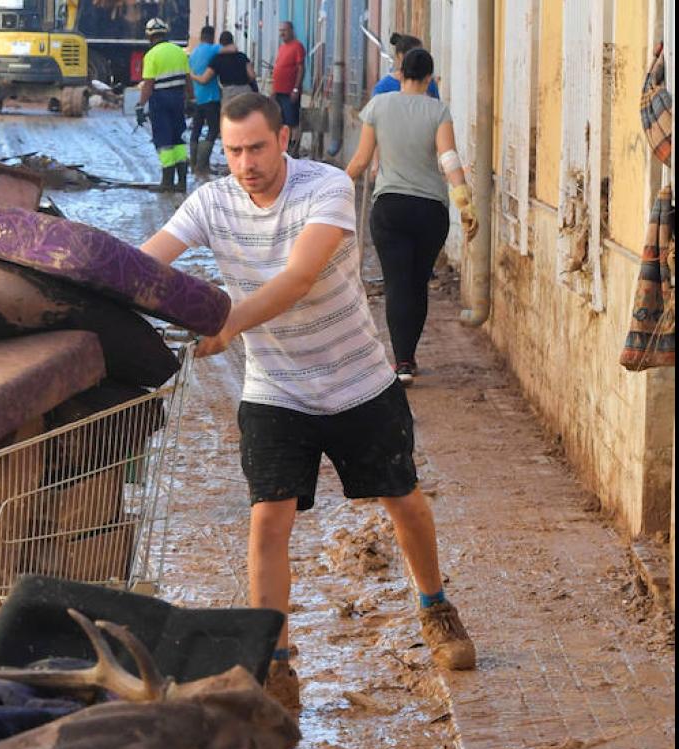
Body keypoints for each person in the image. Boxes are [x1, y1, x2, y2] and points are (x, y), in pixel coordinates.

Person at [139, 92, 477, 714]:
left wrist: (228, 324)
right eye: (234, 150)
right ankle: (275, 660)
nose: (245, 163)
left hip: (357, 380)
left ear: (284, 137)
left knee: (402, 498)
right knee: (268, 519)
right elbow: (149, 262)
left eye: (257, 148)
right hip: (274, 389)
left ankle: (435, 607)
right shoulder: (212, 201)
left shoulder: (325, 190)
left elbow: (297, 279)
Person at [345, 48, 478, 385]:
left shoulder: (378, 106)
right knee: (417, 284)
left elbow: (361, 161)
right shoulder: (438, 110)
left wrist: (332, 189)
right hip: (430, 210)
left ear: (400, 74)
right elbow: (448, 158)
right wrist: (464, 202)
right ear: (430, 78)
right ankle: (409, 358)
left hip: (390, 207)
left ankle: (402, 361)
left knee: (397, 284)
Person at [137, 17, 192, 193]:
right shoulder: (179, 52)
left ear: (149, 36)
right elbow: (188, 79)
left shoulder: (151, 55)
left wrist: (140, 105)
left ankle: (167, 182)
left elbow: (148, 84)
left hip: (160, 101)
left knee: (163, 139)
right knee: (178, 138)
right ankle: (182, 182)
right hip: (178, 99)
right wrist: (192, 99)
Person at [188, 25, 221, 177]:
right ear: (212, 36)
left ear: (201, 36)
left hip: (198, 97)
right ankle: (202, 165)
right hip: (211, 97)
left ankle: (193, 163)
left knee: (196, 129)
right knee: (213, 129)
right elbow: (229, 49)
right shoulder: (214, 49)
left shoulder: (193, 53)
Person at [190, 31, 257, 107]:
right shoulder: (242, 56)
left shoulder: (217, 59)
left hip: (229, 92)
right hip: (245, 90)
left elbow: (204, 79)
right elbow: (252, 75)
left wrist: (193, 76)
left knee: (229, 116)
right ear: (232, 40)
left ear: (220, 43)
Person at [373, 32, 440, 99]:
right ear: (400, 56)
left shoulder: (428, 82)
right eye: (417, 57)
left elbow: (435, 106)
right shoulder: (384, 86)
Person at [271, 20, 305, 149]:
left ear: (291, 31)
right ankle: (284, 147)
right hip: (278, 92)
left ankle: (293, 148)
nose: (282, 33)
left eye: (284, 30)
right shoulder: (282, 48)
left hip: (289, 92)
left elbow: (301, 68)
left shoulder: (297, 46)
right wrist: (273, 89)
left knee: (292, 121)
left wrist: (296, 89)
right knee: (282, 121)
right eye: (280, 31)